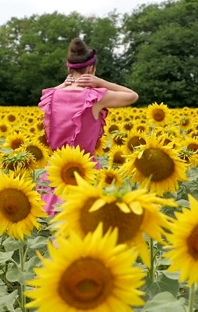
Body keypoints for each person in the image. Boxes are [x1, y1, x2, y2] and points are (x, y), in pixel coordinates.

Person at [37, 37, 138, 215]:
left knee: (50, 228)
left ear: (69, 68)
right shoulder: (94, 97)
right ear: (91, 69)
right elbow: (132, 96)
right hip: (86, 173)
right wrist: (101, 82)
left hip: (55, 173)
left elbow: (47, 94)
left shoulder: (52, 96)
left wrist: (62, 85)